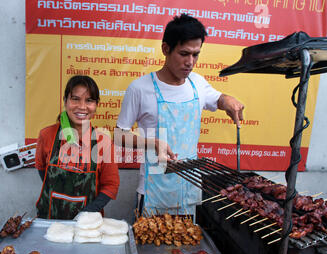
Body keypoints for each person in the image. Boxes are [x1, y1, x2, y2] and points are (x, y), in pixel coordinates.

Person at [115, 14, 244, 217]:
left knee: (187, 247)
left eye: (195, 55)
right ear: (166, 49)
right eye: (184, 54)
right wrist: (152, 143)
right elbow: (118, 135)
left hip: (188, 191)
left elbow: (218, 98)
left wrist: (227, 100)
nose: (190, 62)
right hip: (152, 191)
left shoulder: (198, 84)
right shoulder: (140, 88)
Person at [35, 75, 120, 219]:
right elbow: (42, 169)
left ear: (96, 105)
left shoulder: (103, 142)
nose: (82, 106)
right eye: (75, 99)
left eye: (89, 100)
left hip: (87, 224)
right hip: (49, 220)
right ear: (65, 101)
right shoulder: (47, 135)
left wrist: (87, 213)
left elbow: (111, 185)